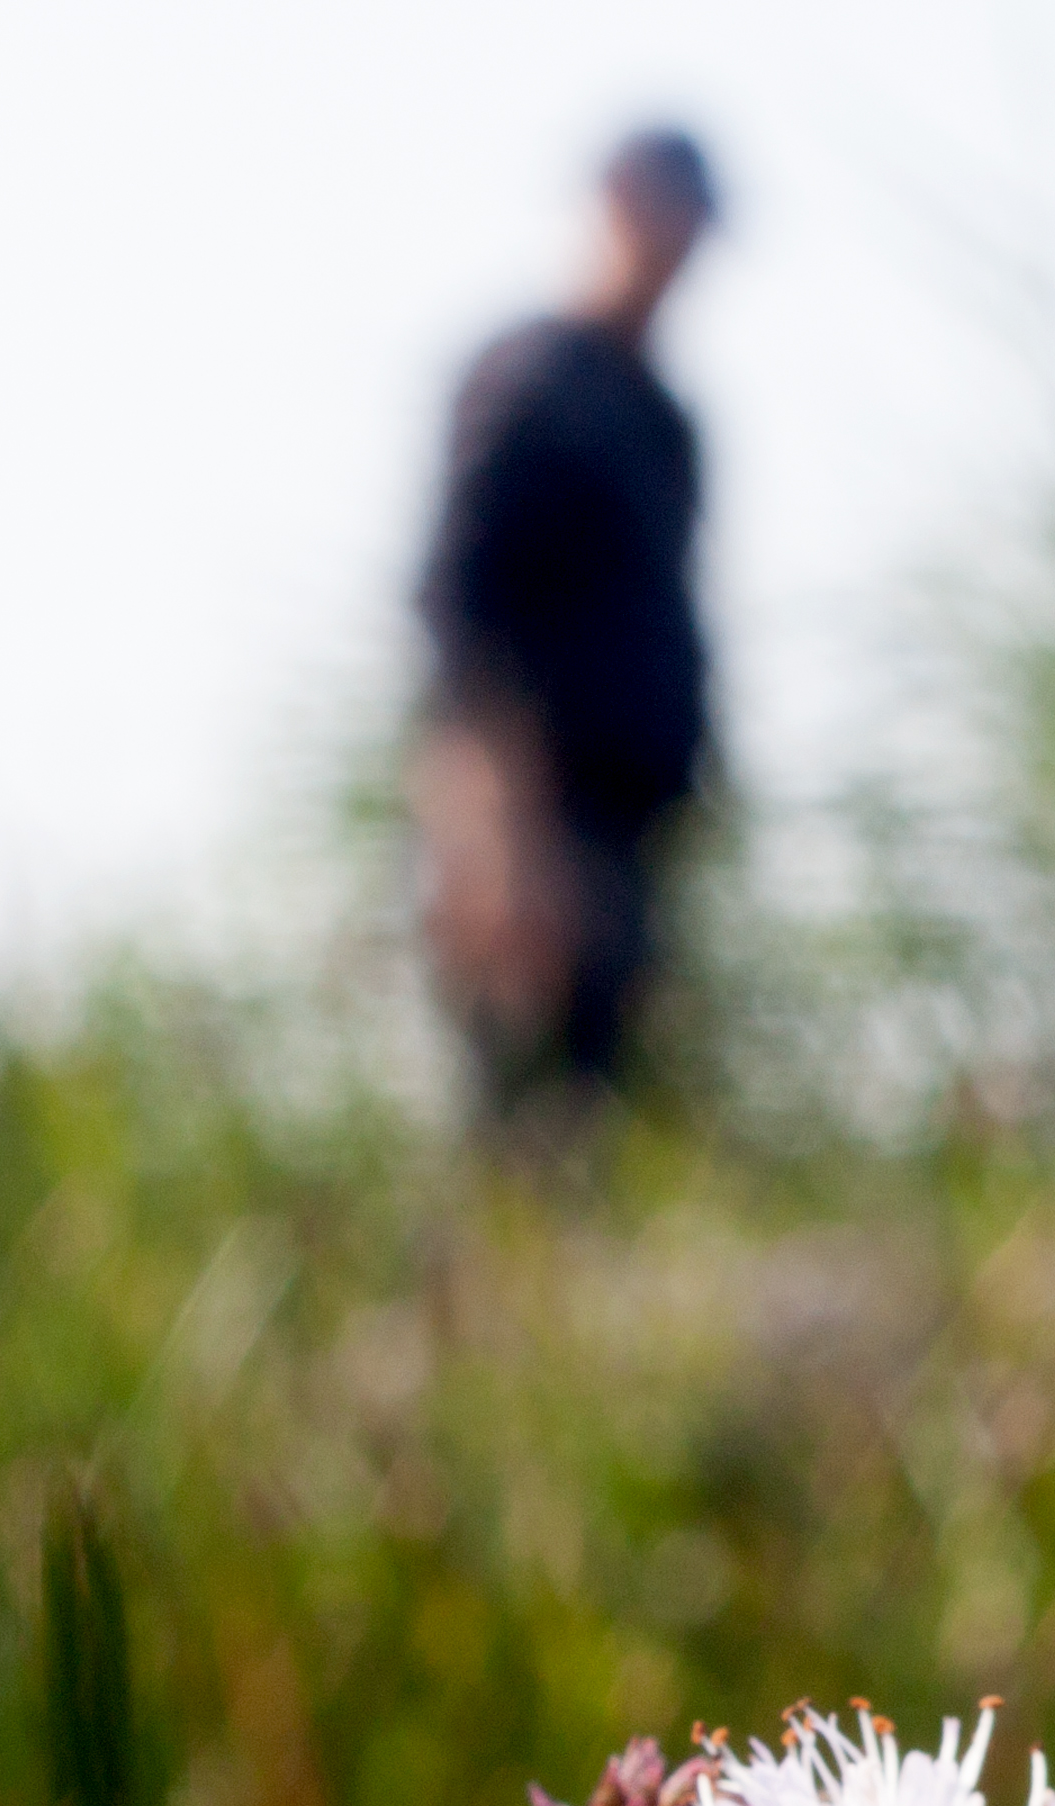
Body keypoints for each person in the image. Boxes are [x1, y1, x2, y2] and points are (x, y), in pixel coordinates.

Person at [415, 127, 722, 1116]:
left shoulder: (664, 421)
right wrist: (500, 840)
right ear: (618, 201)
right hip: (533, 818)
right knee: (519, 1116)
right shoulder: (529, 383)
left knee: (603, 1116)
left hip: (632, 832)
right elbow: (466, 614)